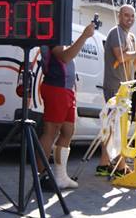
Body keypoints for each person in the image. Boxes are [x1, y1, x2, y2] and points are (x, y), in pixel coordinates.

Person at [37, 20, 96, 190]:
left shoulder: (60, 32)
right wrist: (84, 36)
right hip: (56, 87)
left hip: (66, 89)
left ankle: (60, 176)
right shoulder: (52, 33)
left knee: (68, 131)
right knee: (51, 131)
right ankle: (40, 176)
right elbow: (64, 57)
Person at [98, 5, 136, 176]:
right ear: (119, 16)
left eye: (132, 16)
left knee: (111, 126)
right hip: (114, 86)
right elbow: (120, 57)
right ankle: (120, 167)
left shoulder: (130, 36)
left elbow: (131, 66)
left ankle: (103, 164)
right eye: (126, 15)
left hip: (125, 86)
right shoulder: (115, 32)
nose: (129, 18)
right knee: (117, 127)